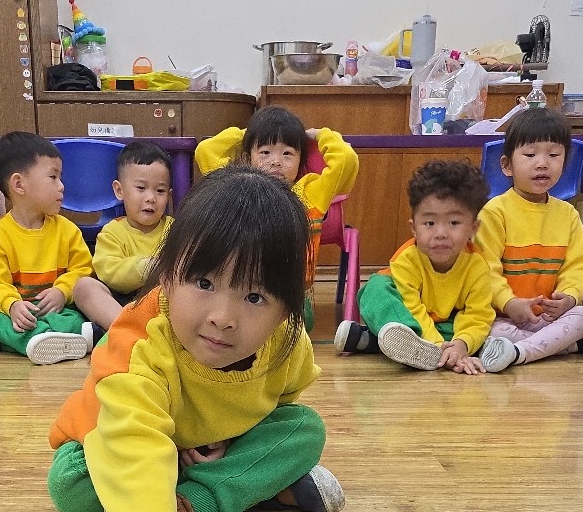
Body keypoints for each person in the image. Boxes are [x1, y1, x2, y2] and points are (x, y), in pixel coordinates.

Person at [47, 166, 344, 512]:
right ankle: (247, 490)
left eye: (255, 297)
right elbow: (133, 453)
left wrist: (234, 438)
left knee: (304, 431)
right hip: (112, 441)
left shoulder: (285, 344)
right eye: (204, 284)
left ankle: (190, 503)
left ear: (287, 309)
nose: (223, 317)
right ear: (168, 274)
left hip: (201, 446)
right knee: (72, 488)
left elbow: (281, 400)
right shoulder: (139, 347)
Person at [474, 109, 583, 372]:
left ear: (565, 163)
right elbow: (484, 270)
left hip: (549, 318)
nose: (542, 163)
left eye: (554, 155)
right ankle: (576, 345)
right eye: (530, 155)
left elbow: (577, 267)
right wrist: (509, 302)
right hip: (503, 316)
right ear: (507, 165)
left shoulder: (567, 214)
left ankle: (519, 352)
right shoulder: (494, 212)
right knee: (485, 329)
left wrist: (569, 297)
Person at [0, 132, 124, 363]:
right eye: (53, 177)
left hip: (57, 310)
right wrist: (12, 305)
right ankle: (53, 338)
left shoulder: (67, 230)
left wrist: (62, 291)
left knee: (76, 314)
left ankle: (16, 340)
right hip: (19, 312)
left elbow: (83, 271)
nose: (61, 186)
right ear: (19, 184)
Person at [195, 106, 358, 332]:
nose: (276, 162)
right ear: (248, 157)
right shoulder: (239, 187)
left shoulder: (311, 193)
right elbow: (205, 151)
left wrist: (319, 135)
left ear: (301, 159)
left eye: (287, 154)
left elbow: (347, 160)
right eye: (265, 152)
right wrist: (251, 133)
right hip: (246, 289)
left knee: (293, 328)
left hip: (293, 295)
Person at [335, 161, 492, 374]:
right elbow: (412, 307)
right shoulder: (407, 259)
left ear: (474, 228)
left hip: (441, 326)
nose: (441, 233)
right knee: (375, 290)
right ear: (414, 228)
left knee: (476, 328)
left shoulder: (478, 265)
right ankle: (414, 345)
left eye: (454, 223)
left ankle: (369, 340)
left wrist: (461, 345)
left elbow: (478, 315)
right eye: (429, 223)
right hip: (406, 317)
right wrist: (438, 346)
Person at [92, 140, 174, 299]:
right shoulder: (112, 232)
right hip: (124, 302)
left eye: (160, 190)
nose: (151, 198)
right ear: (119, 190)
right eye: (141, 188)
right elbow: (108, 272)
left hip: (165, 300)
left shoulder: (175, 230)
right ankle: (118, 317)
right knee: (85, 286)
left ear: (169, 196)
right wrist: (147, 267)